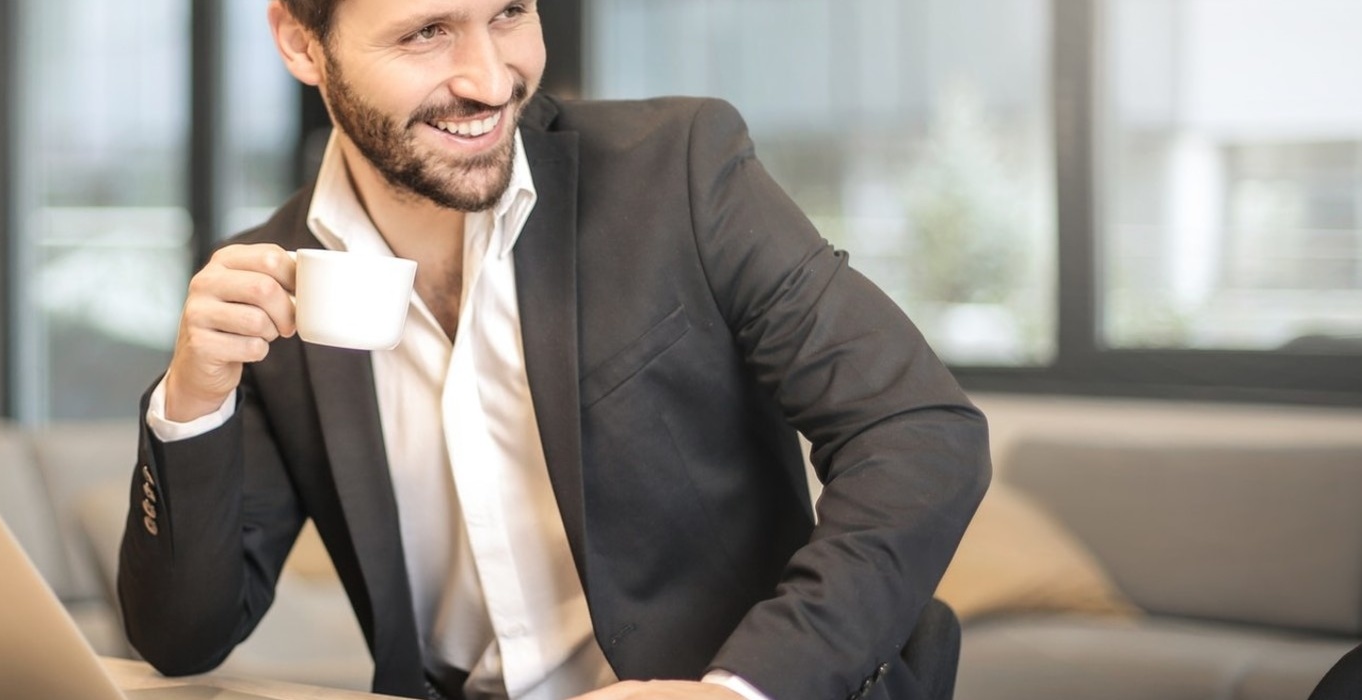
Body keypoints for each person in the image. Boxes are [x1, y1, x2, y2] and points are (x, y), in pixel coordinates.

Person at [117, 1, 991, 699]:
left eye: (509, 13)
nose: (491, 79)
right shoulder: (274, 284)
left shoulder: (680, 170)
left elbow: (920, 432)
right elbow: (185, 638)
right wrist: (194, 397)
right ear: (302, 43)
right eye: (427, 32)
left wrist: (741, 688)